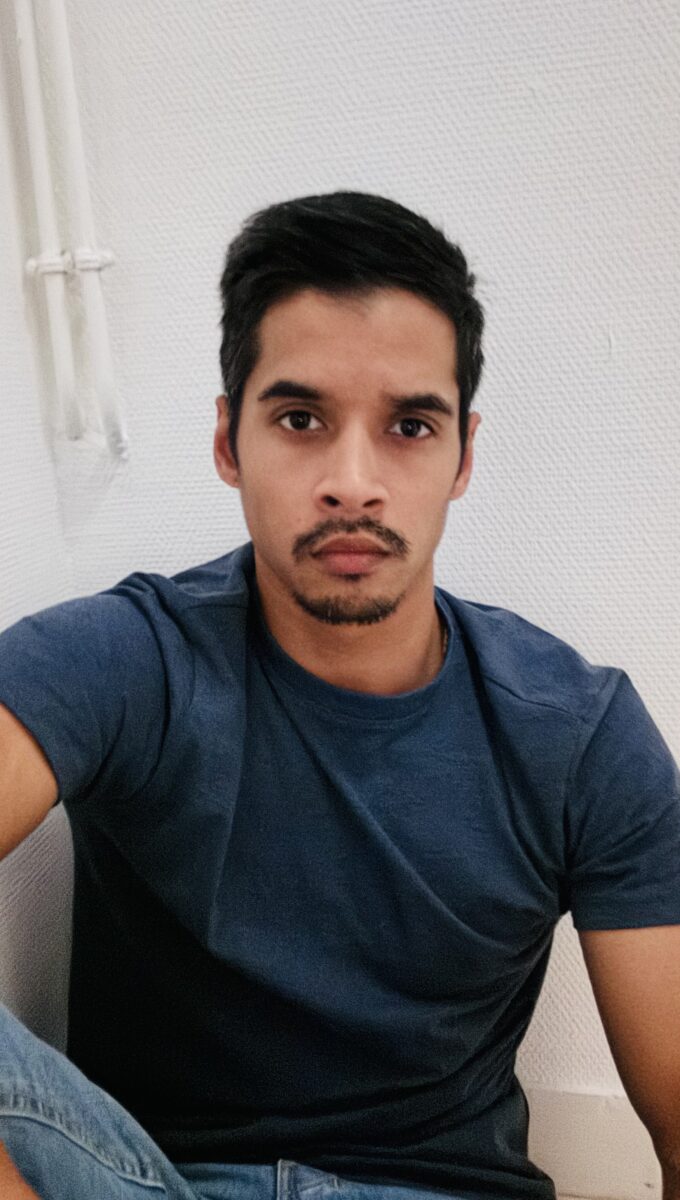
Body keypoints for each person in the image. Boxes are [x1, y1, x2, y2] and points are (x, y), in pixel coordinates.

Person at [0, 191, 679, 1200]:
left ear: (462, 456)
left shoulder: (577, 733)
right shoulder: (126, 660)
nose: (352, 483)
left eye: (409, 425)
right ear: (229, 442)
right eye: (300, 419)